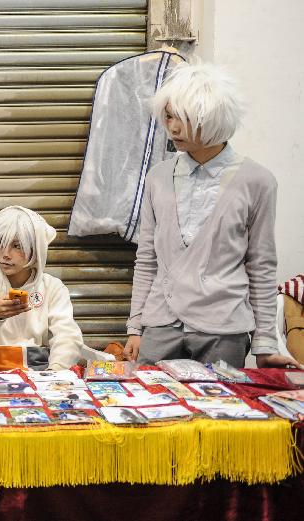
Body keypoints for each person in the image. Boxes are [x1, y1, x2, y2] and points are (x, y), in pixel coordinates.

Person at [123, 63, 302, 369]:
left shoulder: (257, 181)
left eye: (185, 118)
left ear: (215, 118)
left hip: (223, 330)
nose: (173, 127)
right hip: (161, 326)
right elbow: (147, 258)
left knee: (220, 413)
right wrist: (135, 327)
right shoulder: (158, 177)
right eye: (168, 116)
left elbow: (260, 265)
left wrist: (264, 343)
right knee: (150, 409)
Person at [0, 206, 82, 370]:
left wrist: (55, 372)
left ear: (37, 249)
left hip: (40, 377)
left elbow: (67, 337)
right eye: (0, 243)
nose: (5, 254)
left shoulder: (53, 288)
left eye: (17, 246)